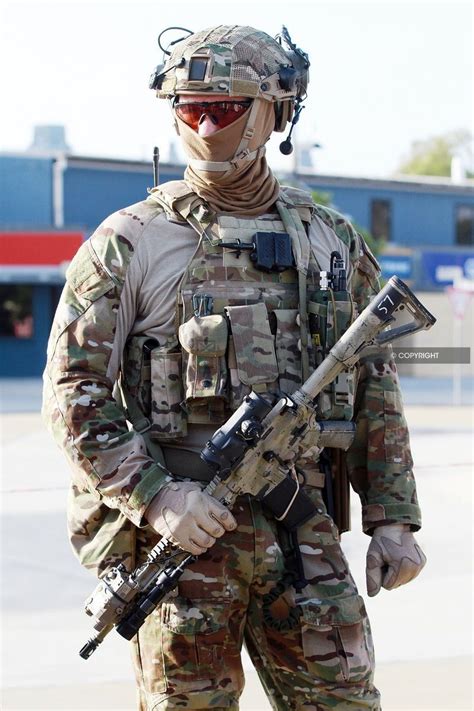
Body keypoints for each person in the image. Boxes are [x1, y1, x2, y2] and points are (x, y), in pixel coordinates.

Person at [42, 24, 426, 711]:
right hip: (186, 535)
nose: (207, 125)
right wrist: (157, 496)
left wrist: (394, 517)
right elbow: (73, 394)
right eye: (191, 110)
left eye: (226, 108)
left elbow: (375, 378)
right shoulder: (128, 243)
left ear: (278, 109)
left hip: (304, 531)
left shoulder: (328, 239)